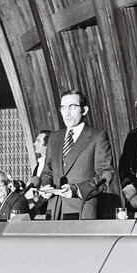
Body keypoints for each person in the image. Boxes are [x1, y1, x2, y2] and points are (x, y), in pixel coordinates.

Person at [40, 89, 115, 220]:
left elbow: (105, 174)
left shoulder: (97, 137)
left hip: (81, 210)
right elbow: (47, 171)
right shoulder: (54, 137)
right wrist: (46, 185)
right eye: (63, 108)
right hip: (54, 210)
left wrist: (76, 189)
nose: (67, 113)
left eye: (72, 107)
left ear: (84, 110)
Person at [27, 130, 51, 218]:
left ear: (48, 145)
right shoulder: (38, 164)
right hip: (39, 207)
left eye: (38, 141)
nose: (34, 143)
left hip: (48, 207)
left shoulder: (52, 164)